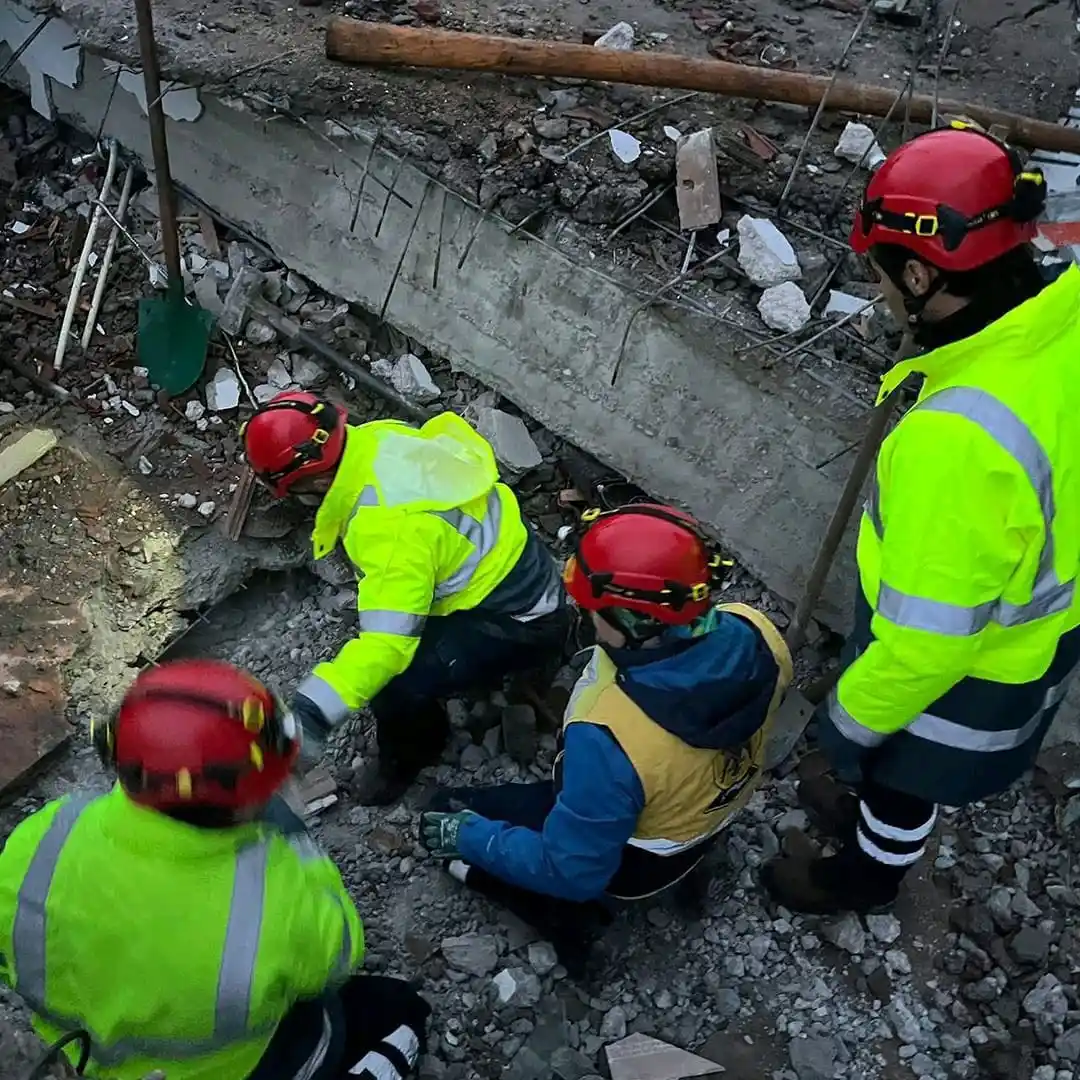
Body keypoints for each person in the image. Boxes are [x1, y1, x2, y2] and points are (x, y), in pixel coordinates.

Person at [762, 125, 1080, 915]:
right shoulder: (1058, 317)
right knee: (900, 767)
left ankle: (869, 876)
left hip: (975, 662)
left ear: (919, 273)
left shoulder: (958, 442)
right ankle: (872, 817)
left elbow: (926, 645)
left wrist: (844, 723)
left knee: (906, 772)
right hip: (1037, 618)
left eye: (879, 274)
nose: (875, 291)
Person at [0, 660, 430, 1080]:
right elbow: (340, 957)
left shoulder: (40, 837)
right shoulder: (277, 898)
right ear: (248, 796)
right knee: (399, 1010)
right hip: (239, 1066)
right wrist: (298, 851)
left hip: (83, 1058)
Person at [419, 504, 792, 963]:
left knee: (448, 814)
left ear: (632, 622)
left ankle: (567, 924)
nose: (583, 611)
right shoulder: (759, 632)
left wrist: (472, 838)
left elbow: (572, 870)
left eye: (593, 607)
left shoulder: (610, 735)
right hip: (708, 815)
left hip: (638, 863)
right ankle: (693, 874)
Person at [241, 392, 570, 805]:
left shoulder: (386, 527)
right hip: (520, 568)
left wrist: (311, 711)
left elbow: (388, 648)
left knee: (395, 682)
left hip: (518, 620)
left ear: (311, 481)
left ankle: (411, 755)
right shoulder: (375, 440)